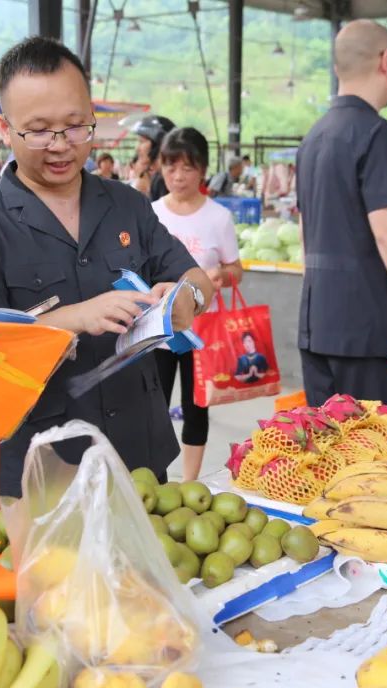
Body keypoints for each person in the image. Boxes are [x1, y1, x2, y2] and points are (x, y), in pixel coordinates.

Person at [0, 37, 212, 494]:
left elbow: (196, 277)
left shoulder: (128, 205)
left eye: (75, 126)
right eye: (39, 130)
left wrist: (186, 298)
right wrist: (73, 319)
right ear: (3, 129)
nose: (60, 146)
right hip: (48, 467)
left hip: (142, 454)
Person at [296, 20, 387, 411]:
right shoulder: (377, 134)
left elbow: (304, 233)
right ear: (386, 60)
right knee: (375, 459)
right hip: (368, 330)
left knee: (328, 454)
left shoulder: (313, 137)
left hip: (317, 325)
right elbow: (386, 232)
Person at [151, 127, 243, 483]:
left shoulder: (218, 217)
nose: (177, 176)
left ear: (203, 169)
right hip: (159, 326)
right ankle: (156, 478)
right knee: (153, 405)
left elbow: (237, 270)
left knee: (196, 405)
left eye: (187, 168)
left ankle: (189, 482)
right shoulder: (152, 212)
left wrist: (219, 274)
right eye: (170, 167)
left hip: (202, 329)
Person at [132, 114, 175, 201]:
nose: (137, 149)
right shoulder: (152, 177)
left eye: (142, 142)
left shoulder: (165, 181)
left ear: (159, 144)